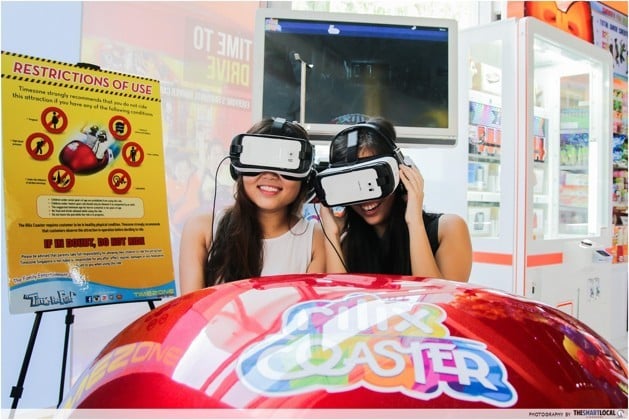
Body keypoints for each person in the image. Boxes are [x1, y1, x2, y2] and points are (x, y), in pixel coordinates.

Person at [178, 118, 326, 294]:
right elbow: (193, 308)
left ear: (306, 179)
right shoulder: (202, 229)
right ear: (238, 170)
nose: (270, 175)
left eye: (286, 164)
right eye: (259, 161)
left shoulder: (316, 239)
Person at [319, 117, 472, 282]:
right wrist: (331, 234)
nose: (366, 200)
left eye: (373, 181)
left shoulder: (449, 229)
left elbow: (437, 295)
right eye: (352, 186)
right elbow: (339, 296)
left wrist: (414, 221)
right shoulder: (348, 243)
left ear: (400, 173)